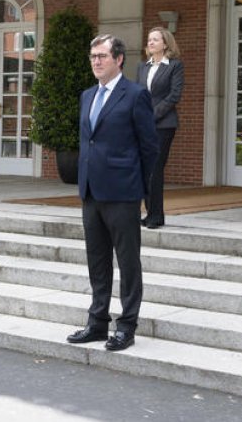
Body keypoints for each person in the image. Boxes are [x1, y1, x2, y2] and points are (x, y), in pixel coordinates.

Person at [66, 34, 159, 352]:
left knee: (128, 261)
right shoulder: (87, 95)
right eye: (93, 56)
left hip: (123, 192)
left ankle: (127, 326)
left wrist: (141, 189)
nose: (96, 61)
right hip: (91, 191)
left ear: (118, 59)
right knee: (97, 260)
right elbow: (87, 142)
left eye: (102, 55)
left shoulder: (135, 95)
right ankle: (97, 322)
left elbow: (149, 147)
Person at [136, 26, 184, 229]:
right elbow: (138, 94)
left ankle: (157, 215)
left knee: (155, 169)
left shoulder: (174, 66)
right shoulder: (142, 67)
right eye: (149, 39)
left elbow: (174, 95)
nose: (151, 42)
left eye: (155, 39)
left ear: (165, 44)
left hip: (163, 125)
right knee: (145, 169)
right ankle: (150, 214)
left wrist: (151, 116)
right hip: (143, 125)